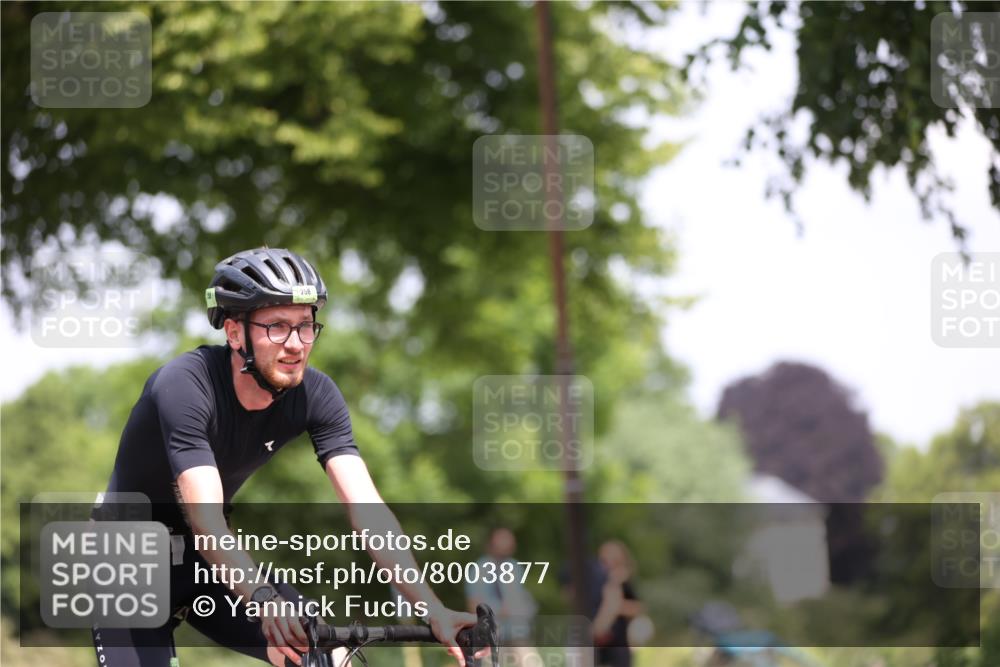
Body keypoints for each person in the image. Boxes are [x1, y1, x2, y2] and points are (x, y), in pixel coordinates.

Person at [92, 248, 476, 667]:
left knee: (326, 657)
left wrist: (432, 609)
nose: (295, 345)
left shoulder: (317, 394)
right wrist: (262, 598)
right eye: (276, 327)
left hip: (206, 564)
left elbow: (368, 511)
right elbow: (206, 519)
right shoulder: (184, 385)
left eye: (305, 327)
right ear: (235, 333)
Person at [465, 528, 538, 665]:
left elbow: (520, 597)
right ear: (492, 544)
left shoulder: (515, 567)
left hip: (516, 631)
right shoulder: (478, 569)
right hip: (490, 633)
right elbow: (473, 604)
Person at [591, 541, 643, 667]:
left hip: (618, 644)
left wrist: (615, 607)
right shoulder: (597, 581)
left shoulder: (623, 583)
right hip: (598, 645)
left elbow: (637, 607)